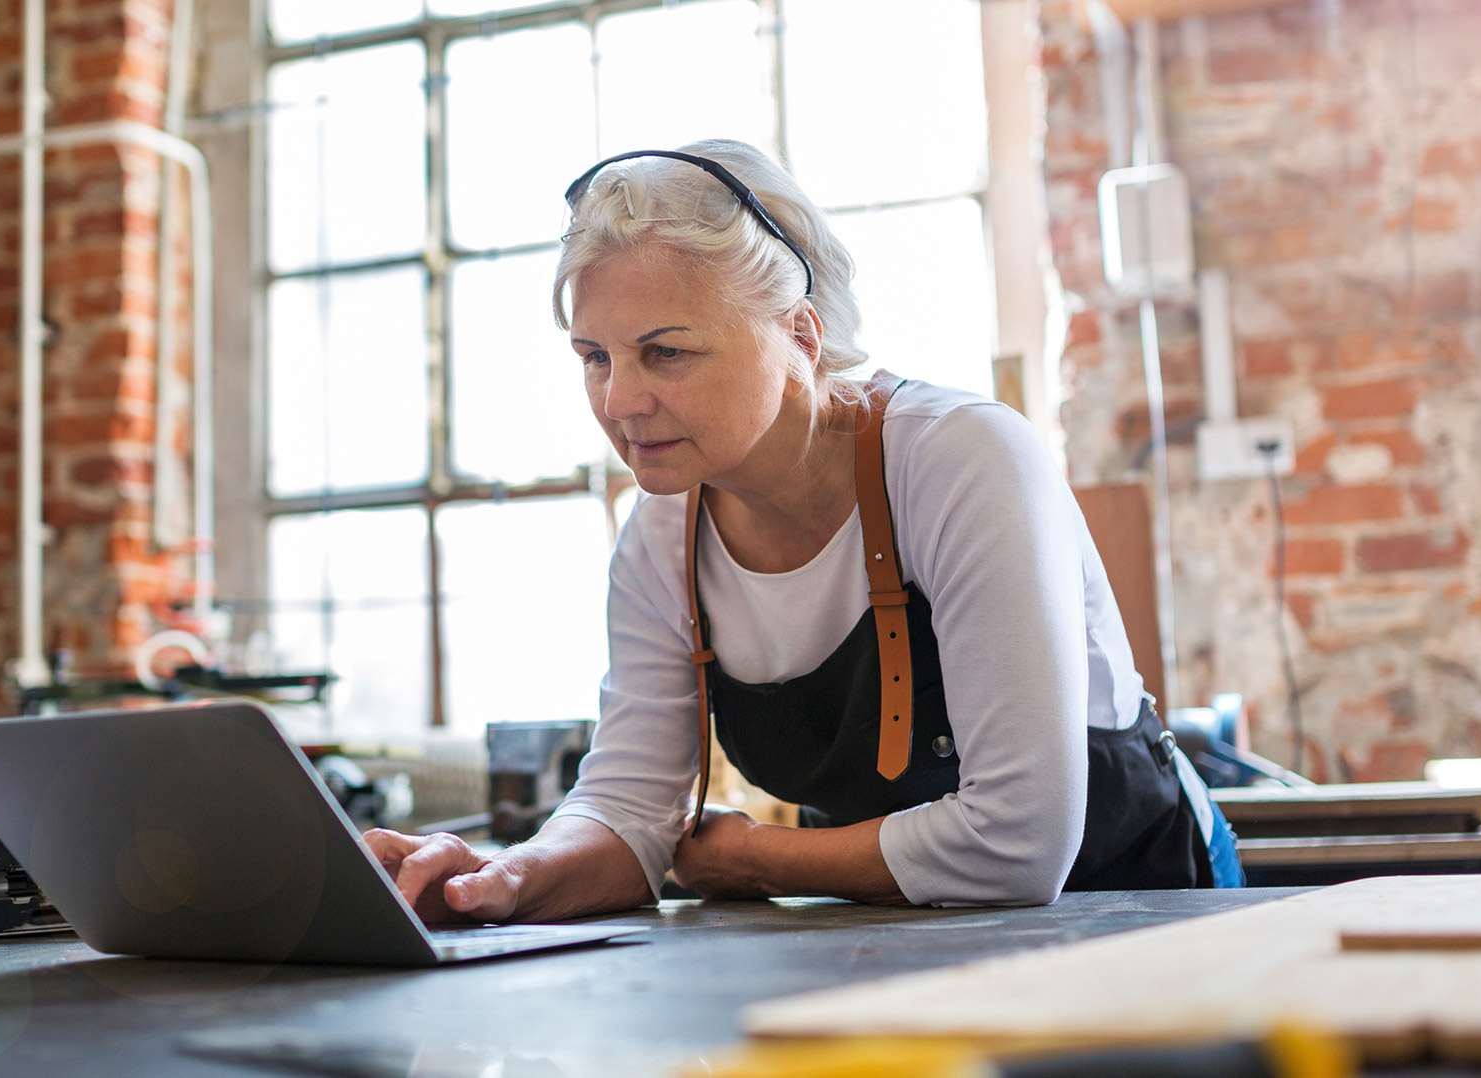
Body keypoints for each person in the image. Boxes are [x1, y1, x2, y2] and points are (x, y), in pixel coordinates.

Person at [361, 139, 1241, 924]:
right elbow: (629, 812)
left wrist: (752, 859)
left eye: (666, 352)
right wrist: (507, 878)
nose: (619, 402)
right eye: (595, 357)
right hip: (895, 940)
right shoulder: (660, 535)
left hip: (1140, 916)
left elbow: (1018, 843)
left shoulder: (961, 459)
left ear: (801, 334)